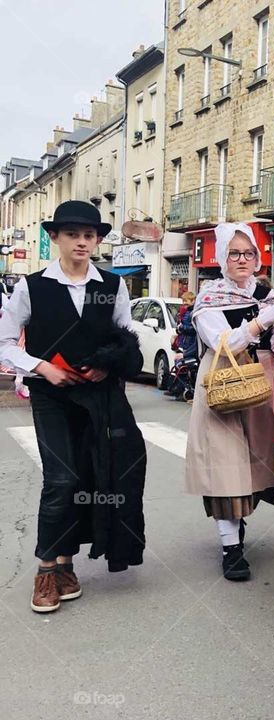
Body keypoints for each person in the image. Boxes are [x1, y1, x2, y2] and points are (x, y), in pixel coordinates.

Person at [0, 200, 146, 613]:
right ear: (55, 239)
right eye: (73, 235)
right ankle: (47, 569)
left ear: (97, 240)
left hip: (98, 398)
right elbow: (5, 343)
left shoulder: (113, 286)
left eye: (89, 235)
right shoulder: (33, 286)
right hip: (52, 397)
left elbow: (125, 337)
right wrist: (43, 367)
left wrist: (108, 365)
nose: (82, 242)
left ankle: (66, 565)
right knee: (61, 479)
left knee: (90, 478)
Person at [184, 223, 274, 581]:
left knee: (255, 465)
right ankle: (231, 548)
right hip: (223, 385)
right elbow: (221, 344)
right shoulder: (210, 296)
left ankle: (240, 519)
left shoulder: (267, 294)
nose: (243, 259)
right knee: (226, 467)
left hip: (263, 386)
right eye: (234, 253)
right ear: (221, 258)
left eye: (249, 253)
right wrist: (260, 323)